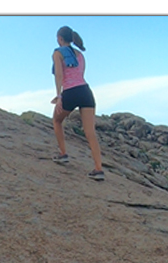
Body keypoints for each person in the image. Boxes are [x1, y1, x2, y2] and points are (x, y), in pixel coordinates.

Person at [51, 26, 104, 181]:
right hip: (85, 91)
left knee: (56, 120)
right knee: (90, 132)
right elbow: (80, 74)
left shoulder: (57, 53)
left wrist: (59, 95)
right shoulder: (80, 55)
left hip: (70, 92)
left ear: (60, 38)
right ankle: (98, 169)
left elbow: (59, 75)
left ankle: (63, 154)